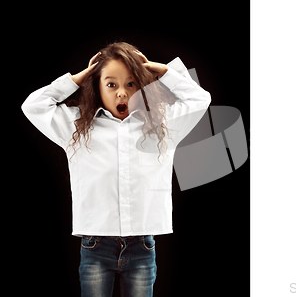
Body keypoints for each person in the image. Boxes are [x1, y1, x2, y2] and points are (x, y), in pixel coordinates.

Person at [21, 42, 211, 297]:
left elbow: (201, 98)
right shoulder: (75, 127)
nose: (122, 93)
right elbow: (33, 106)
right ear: (97, 86)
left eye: (130, 84)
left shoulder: (162, 124)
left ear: (142, 87)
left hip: (142, 245)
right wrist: (76, 79)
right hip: (95, 246)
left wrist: (164, 72)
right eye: (111, 84)